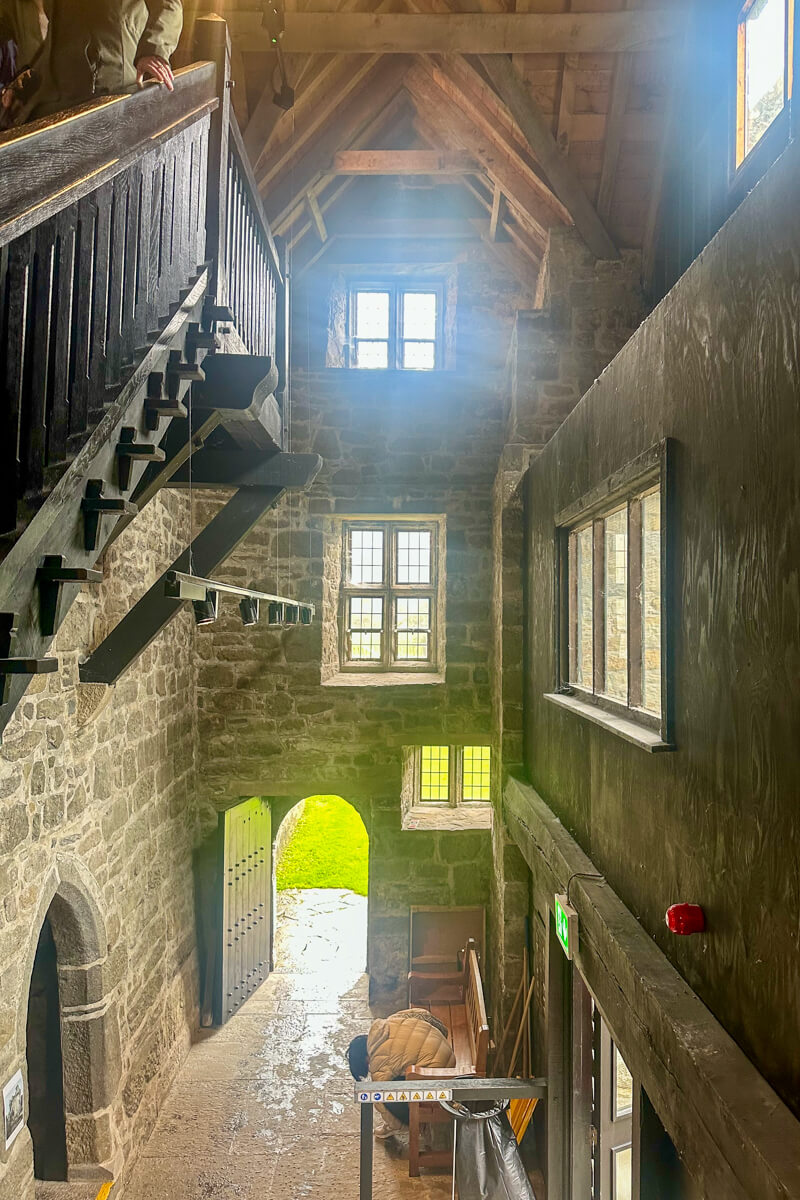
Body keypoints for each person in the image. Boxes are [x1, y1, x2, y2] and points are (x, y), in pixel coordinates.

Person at [1, 0, 183, 127]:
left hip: (107, 93)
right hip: (55, 102)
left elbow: (168, 5)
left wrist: (154, 51)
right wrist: (26, 84)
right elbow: (57, 42)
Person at [347, 1008, 456, 1136]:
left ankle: (417, 1124)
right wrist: (442, 1034)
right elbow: (422, 1014)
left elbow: (381, 1103)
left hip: (439, 1077)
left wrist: (401, 1125)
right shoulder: (389, 1021)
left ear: (365, 1059)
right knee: (400, 1072)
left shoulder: (378, 1060)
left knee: (386, 1094)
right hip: (447, 1052)